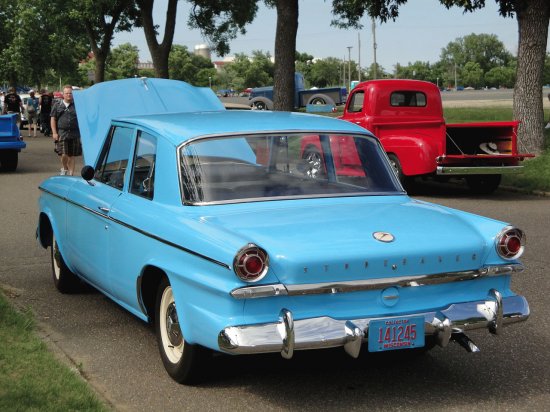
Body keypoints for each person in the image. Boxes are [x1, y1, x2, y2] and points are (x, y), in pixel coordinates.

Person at [50, 85, 82, 176]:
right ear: (63, 94)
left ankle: (71, 175)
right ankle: (64, 167)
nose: (69, 95)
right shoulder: (57, 105)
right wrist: (54, 132)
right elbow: (53, 119)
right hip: (62, 133)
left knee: (71, 155)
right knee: (63, 154)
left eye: (70, 93)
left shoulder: (77, 105)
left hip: (74, 133)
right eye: (67, 93)